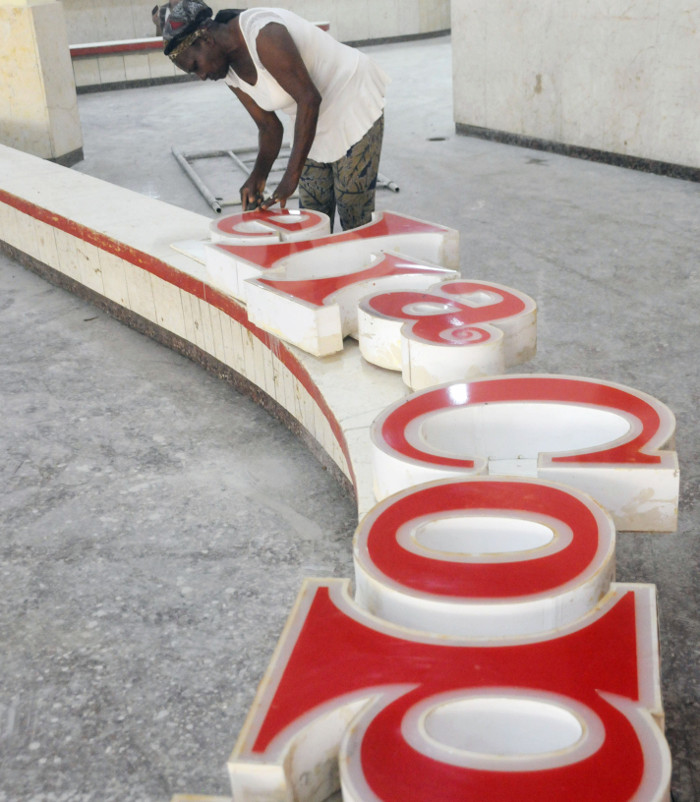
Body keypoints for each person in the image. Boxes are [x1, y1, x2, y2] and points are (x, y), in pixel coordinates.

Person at [162, 1, 389, 230]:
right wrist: (258, 176)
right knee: (312, 217)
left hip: (350, 96)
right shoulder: (227, 71)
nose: (201, 76)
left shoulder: (263, 34)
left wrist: (291, 176)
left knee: (353, 214)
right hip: (308, 115)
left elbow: (309, 98)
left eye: (196, 66)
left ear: (206, 39)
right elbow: (268, 126)